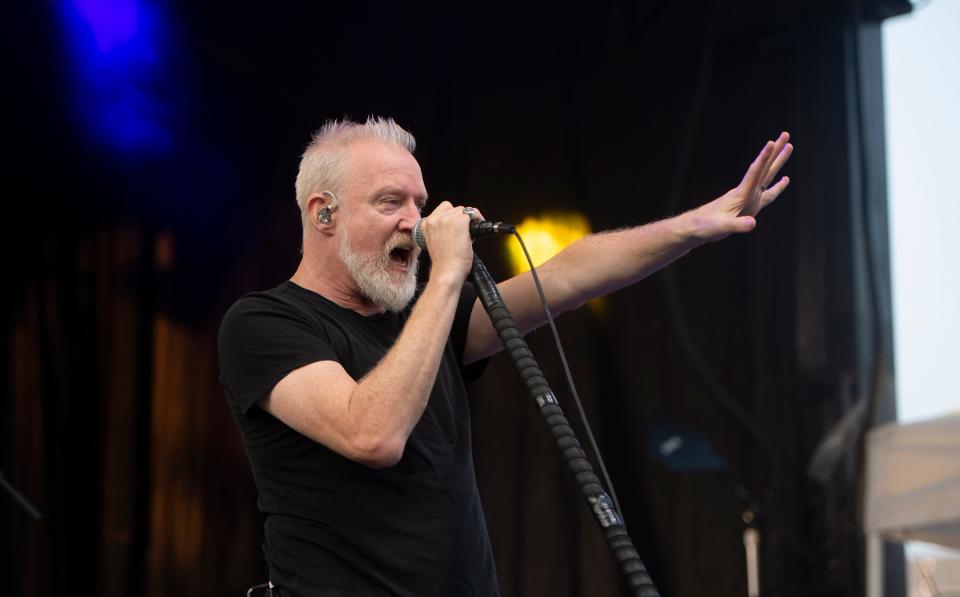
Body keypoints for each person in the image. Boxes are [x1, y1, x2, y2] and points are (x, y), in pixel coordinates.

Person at [218, 117, 793, 596]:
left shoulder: (429, 314)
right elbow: (371, 434)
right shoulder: (265, 324)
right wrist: (447, 274)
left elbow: (571, 274)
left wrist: (694, 226)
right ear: (323, 214)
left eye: (420, 203)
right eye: (390, 202)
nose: (414, 223)